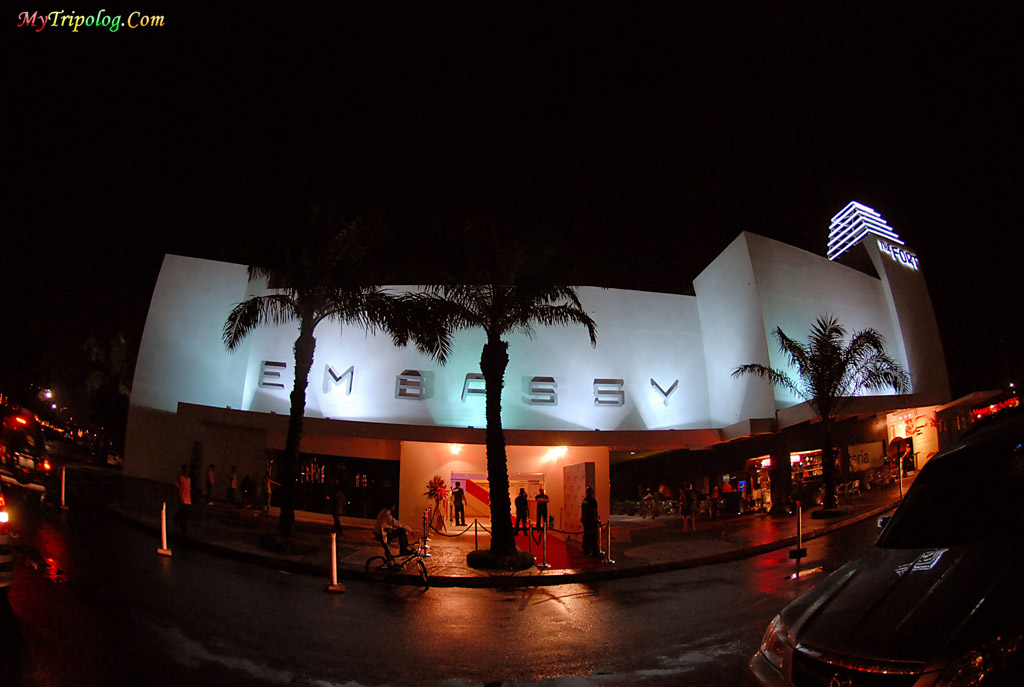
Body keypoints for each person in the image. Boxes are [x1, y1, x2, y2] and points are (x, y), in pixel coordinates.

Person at [581, 486, 601, 557]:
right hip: (591, 521)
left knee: (586, 536)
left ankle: (586, 551)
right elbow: (594, 511)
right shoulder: (593, 501)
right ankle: (594, 551)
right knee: (593, 537)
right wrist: (596, 519)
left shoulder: (584, 501)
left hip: (585, 521)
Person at [173, 464, 191, 537]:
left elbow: (188, 489)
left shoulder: (188, 479)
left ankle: (179, 523)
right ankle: (182, 528)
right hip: (182, 499)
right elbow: (177, 488)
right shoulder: (180, 478)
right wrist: (176, 498)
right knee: (183, 514)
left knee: (184, 514)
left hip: (187, 500)